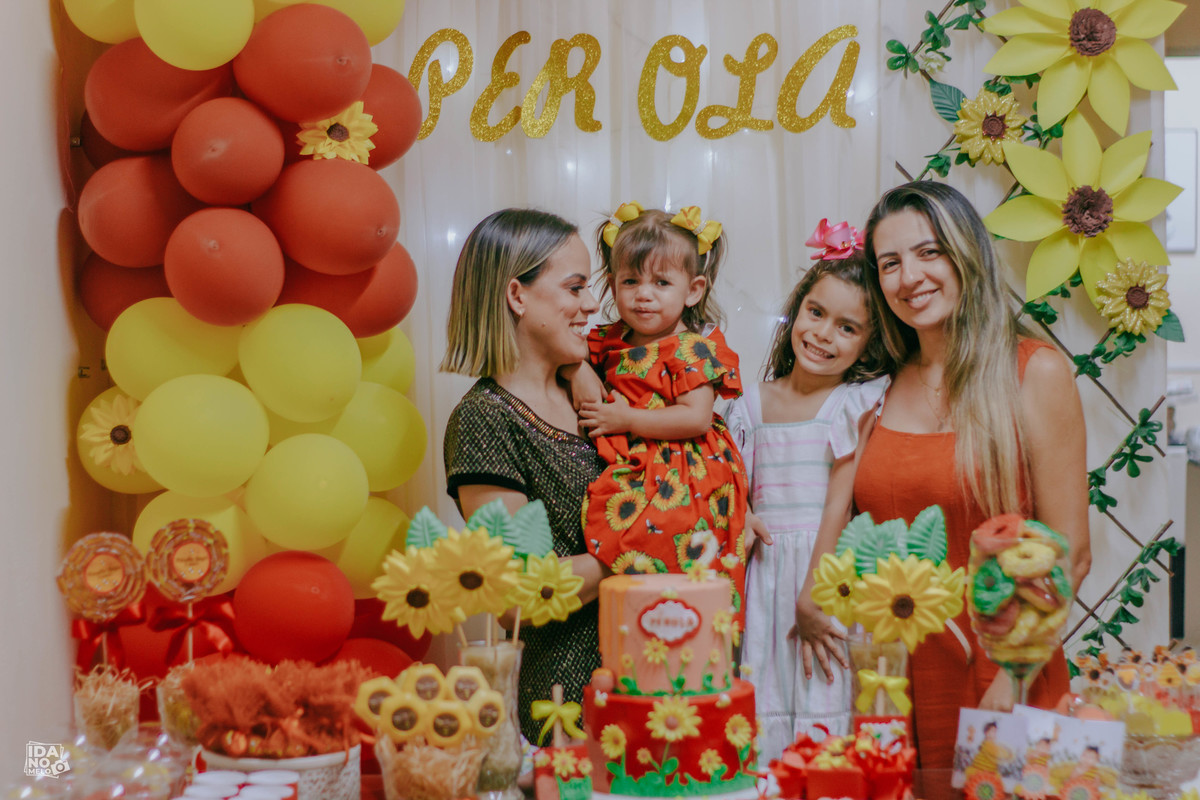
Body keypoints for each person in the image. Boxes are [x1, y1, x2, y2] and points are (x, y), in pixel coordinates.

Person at [844, 180, 1090, 768]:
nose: (910, 277)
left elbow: (1071, 552)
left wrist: (1012, 676)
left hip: (1001, 674)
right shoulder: (878, 386)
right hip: (893, 679)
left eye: (929, 252)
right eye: (890, 263)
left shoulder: (1034, 372)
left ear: (966, 254)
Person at [724, 219, 893, 760]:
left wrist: (814, 592)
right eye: (816, 313)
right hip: (764, 575)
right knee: (766, 693)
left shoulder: (854, 404)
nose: (822, 334)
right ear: (797, 309)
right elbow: (732, 487)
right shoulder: (748, 404)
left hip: (825, 572)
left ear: (868, 344)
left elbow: (839, 505)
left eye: (847, 327)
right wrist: (742, 516)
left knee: (824, 690)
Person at [441, 208, 611, 743]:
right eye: (576, 287)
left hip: (653, 670)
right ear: (517, 295)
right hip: (566, 699)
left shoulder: (597, 391)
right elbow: (517, 596)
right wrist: (635, 550)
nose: (592, 304)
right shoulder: (485, 419)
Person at [572, 202, 751, 617]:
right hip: (641, 459)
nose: (644, 294)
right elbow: (567, 351)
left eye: (662, 282)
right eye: (630, 280)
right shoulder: (611, 337)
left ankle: (686, 624)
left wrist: (626, 419)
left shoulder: (690, 347)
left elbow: (695, 417)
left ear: (693, 290)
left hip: (687, 467)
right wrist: (577, 368)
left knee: (679, 553)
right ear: (612, 284)